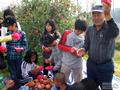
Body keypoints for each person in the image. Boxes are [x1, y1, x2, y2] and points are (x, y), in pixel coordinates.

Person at [77, 2, 119, 90]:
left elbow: (115, 32)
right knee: (91, 87)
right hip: (91, 66)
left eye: (99, 14)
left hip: (105, 67)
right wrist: (84, 49)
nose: (96, 17)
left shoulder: (109, 28)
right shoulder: (89, 29)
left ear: (104, 15)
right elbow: (87, 43)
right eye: (94, 15)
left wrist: (108, 15)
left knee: (106, 88)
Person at [59, 19, 87, 84]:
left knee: (79, 83)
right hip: (66, 63)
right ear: (75, 27)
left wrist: (82, 53)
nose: (79, 32)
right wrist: (69, 49)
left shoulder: (84, 37)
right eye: (78, 30)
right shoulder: (67, 33)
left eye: (81, 31)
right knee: (63, 83)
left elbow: (84, 50)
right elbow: (60, 46)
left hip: (78, 64)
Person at [5, 17, 28, 88]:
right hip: (10, 58)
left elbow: (25, 46)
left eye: (9, 26)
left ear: (14, 25)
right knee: (13, 74)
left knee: (19, 73)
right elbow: (6, 45)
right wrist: (5, 49)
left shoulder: (22, 33)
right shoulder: (7, 34)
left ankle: (20, 86)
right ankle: (14, 87)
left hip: (18, 58)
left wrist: (21, 49)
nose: (8, 27)